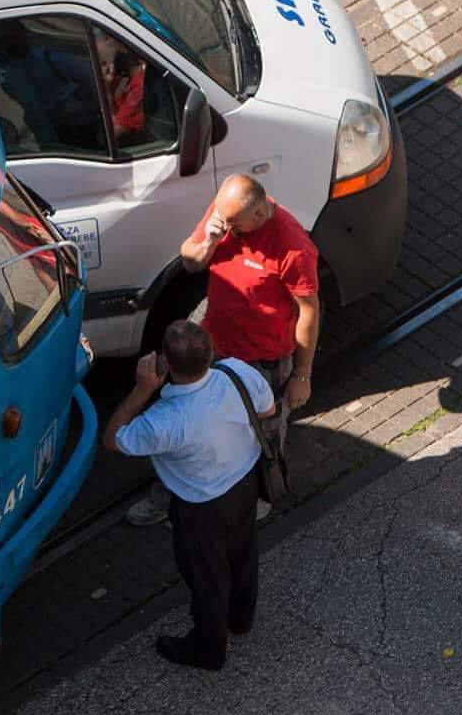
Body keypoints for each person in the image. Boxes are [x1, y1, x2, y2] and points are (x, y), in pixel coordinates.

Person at [127, 173, 320, 527]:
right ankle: (168, 495)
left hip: (262, 360)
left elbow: (308, 310)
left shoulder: (292, 247)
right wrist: (209, 242)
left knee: (266, 430)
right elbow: (189, 261)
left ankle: (262, 494)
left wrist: (301, 374)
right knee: (184, 419)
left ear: (260, 214)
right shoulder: (225, 216)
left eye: (235, 224)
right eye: (224, 218)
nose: (227, 226)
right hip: (212, 345)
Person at [103, 320, 275, 670]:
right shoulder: (236, 373)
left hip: (202, 507)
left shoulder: (165, 420)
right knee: (243, 554)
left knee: (207, 577)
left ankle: (209, 648)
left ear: (165, 363)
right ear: (211, 352)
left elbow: (112, 438)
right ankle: (240, 619)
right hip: (245, 483)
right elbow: (268, 409)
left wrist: (141, 389)